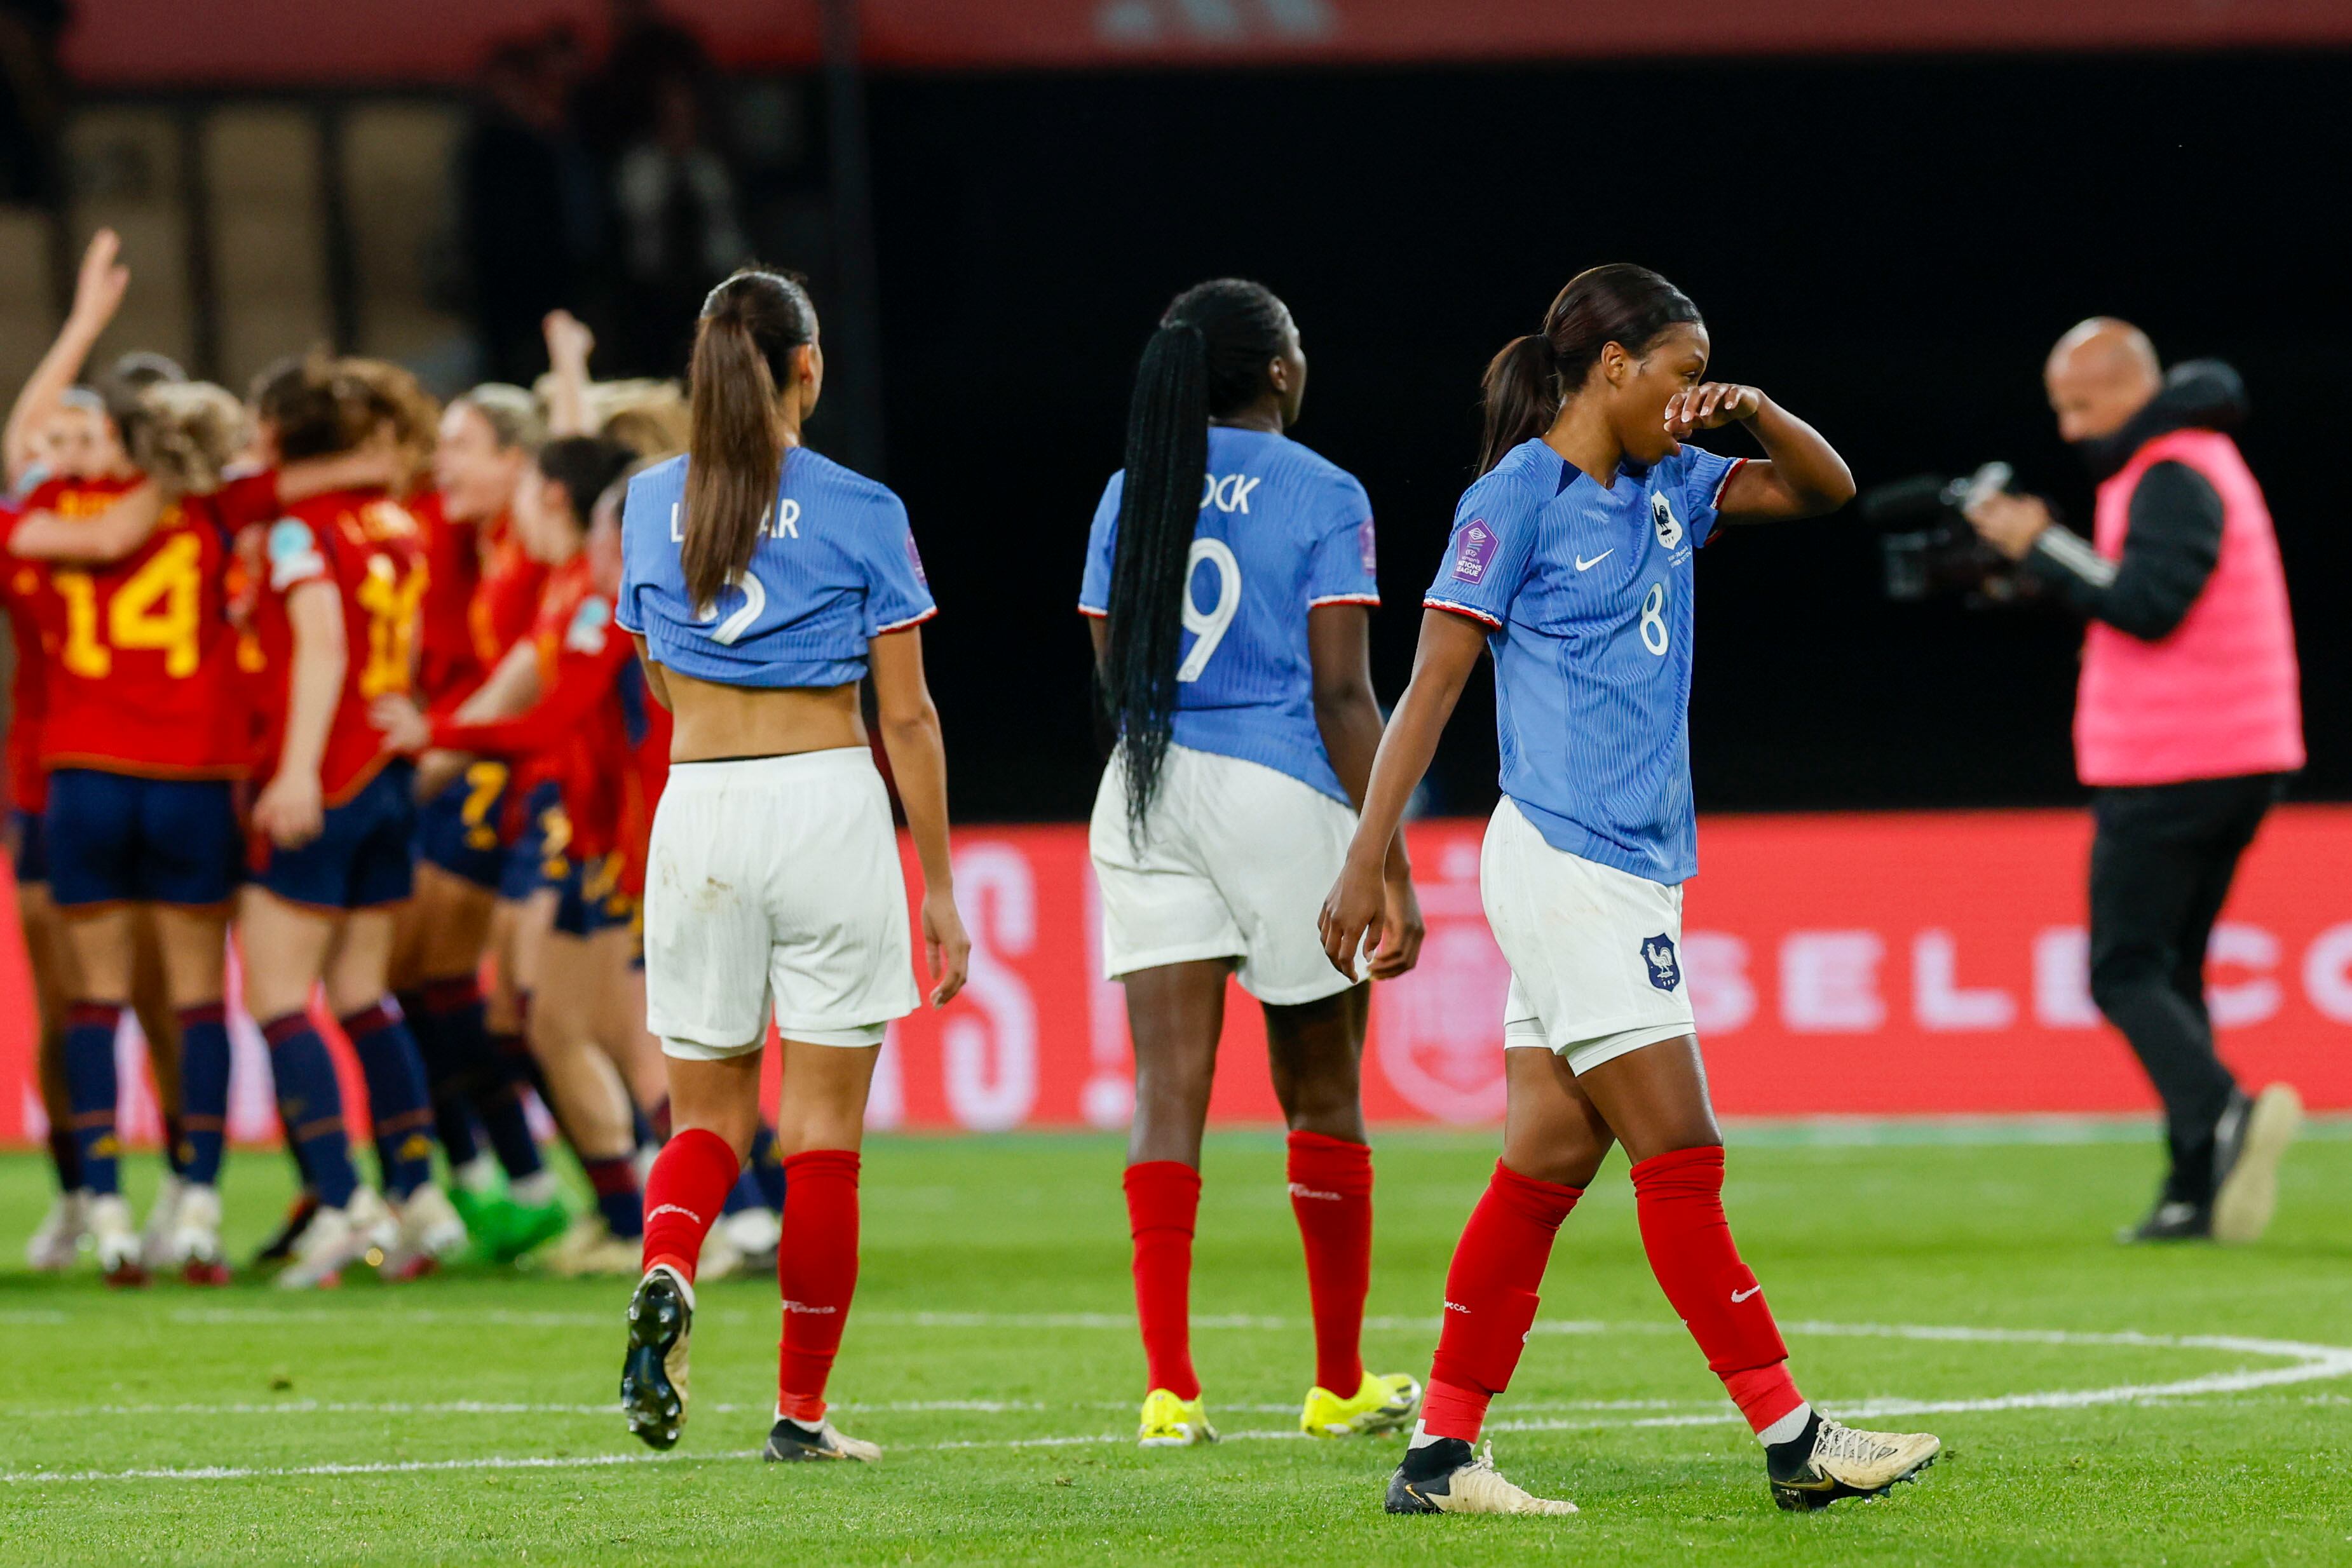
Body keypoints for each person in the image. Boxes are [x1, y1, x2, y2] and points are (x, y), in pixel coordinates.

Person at [1318, 264, 1940, 1515]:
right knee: (1682, 1151)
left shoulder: (1670, 482)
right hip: (1566, 859)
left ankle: (1440, 1455)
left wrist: (1752, 411)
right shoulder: (1518, 499)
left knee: (1544, 1162)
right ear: (1612, 366)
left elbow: (1828, 490)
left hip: (1632, 867)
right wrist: (1370, 856)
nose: (1689, 390)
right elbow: (1432, 682)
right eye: (1677, 367)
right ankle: (1791, 1432)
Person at [614, 267, 968, 1463]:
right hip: (823, 800)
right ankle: (801, 1414)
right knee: (821, 1133)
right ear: (807, 367)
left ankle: (668, 1262)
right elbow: (907, 719)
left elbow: (655, 675)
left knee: (706, 1113)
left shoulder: (646, 502)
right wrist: (939, 887)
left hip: (700, 807)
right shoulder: (861, 505)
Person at [1077, 278, 1427, 1448]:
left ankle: (1169, 1392)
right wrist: (1388, 862)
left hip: (1142, 786)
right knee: (1320, 1091)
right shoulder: (1324, 490)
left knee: (1166, 1093)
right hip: (1277, 787)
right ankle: (1336, 1383)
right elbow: (1340, 689)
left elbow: (1112, 661)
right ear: (1278, 369)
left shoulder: (1134, 488)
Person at [1965, 320, 2304, 1245]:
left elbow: (2149, 606)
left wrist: (2039, 543)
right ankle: (2194, 1187)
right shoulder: (2189, 463)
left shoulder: (2169, 470)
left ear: (2130, 389)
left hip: (2178, 760)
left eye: (2081, 404)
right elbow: (2135, 588)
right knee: (2171, 973)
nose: (2070, 428)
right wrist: (2044, 565)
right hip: (2229, 755)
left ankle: (2224, 1114)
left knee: (2119, 970)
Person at [377, 434, 667, 1276]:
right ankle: (627, 1216)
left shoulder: (592, 599)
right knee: (549, 1023)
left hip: (607, 831)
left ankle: (736, 1219)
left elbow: (548, 723)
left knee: (620, 1034)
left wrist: (432, 733)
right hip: (575, 823)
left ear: (545, 493)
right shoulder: (563, 588)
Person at [233, 356, 463, 1287]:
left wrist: (293, 771)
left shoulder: (301, 528)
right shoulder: (397, 521)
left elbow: (323, 639)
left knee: (280, 1000)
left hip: (323, 775)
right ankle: (417, 1193)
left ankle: (338, 1201)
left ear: (283, 438)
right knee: (363, 997)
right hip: (386, 773)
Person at [390, 382, 571, 1262]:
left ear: (518, 461)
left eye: (462, 444)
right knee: (423, 978)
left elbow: (527, 675)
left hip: (517, 777)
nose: (441, 461)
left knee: (506, 1002)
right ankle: (492, 1176)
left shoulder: (543, 540)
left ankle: (533, 1180)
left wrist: (438, 748)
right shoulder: (480, 540)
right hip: (483, 766)